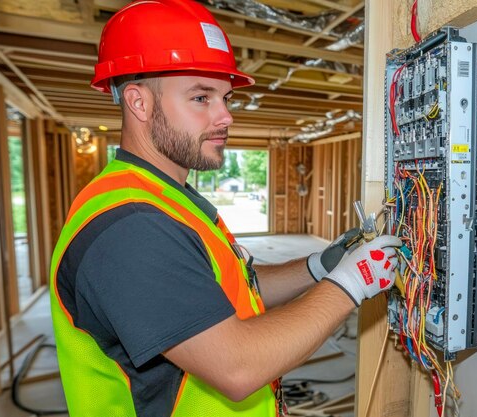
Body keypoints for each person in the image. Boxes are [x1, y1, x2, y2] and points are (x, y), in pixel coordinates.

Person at [49, 1, 401, 416]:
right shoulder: (130, 227)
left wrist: (317, 267)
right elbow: (237, 366)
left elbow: (223, 293)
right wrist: (350, 283)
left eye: (225, 97)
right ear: (138, 103)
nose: (226, 115)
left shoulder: (169, 198)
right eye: (201, 97)